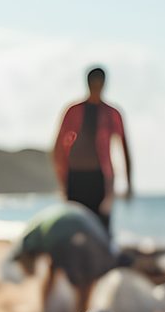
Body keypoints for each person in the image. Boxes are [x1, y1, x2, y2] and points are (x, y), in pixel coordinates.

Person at [51, 65, 133, 232]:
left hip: (101, 178)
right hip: (76, 177)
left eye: (99, 84)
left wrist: (129, 182)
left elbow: (124, 147)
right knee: (75, 228)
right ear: (87, 84)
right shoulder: (73, 111)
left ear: (104, 84)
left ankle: (104, 257)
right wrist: (62, 179)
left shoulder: (112, 113)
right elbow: (59, 147)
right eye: (93, 84)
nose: (96, 88)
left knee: (101, 227)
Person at [10, 202, 119, 312]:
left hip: (62, 231)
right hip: (87, 233)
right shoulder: (104, 247)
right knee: (86, 279)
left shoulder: (36, 226)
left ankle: (47, 309)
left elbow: (25, 249)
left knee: (55, 268)